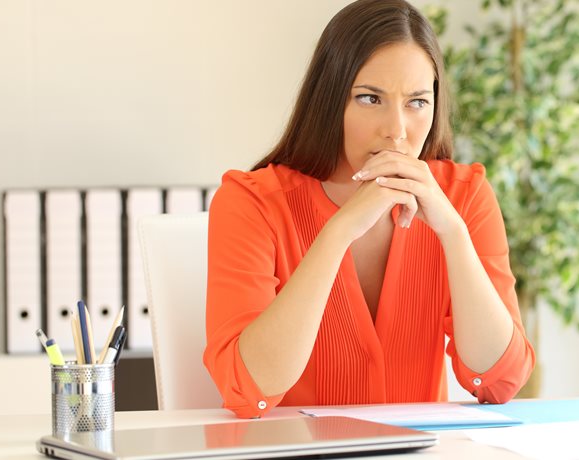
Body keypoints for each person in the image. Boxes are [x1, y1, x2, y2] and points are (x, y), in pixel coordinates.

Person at [203, 0, 535, 419]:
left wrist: (452, 231)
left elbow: (500, 379)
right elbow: (250, 388)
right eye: (369, 98)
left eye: (416, 102)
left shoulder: (464, 195)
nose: (396, 130)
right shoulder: (250, 201)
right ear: (329, 100)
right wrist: (338, 232)